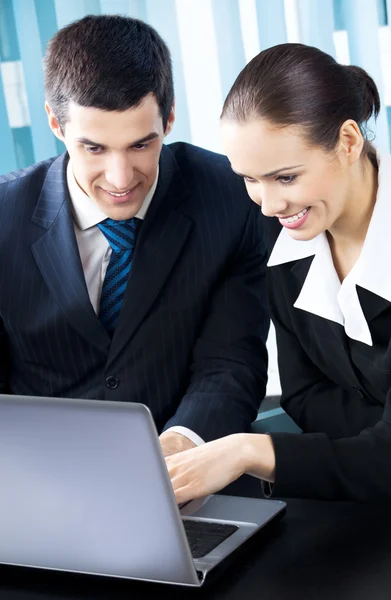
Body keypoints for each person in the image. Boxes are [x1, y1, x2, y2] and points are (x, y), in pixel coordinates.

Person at [0, 15, 269, 458]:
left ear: (170, 117)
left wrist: (182, 447)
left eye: (141, 144)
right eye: (94, 148)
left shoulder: (229, 195)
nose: (121, 178)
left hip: (188, 471)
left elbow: (231, 363)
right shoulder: (7, 216)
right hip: (41, 476)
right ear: (55, 123)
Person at [166, 42, 391, 502]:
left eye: (285, 177)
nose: (269, 205)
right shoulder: (289, 244)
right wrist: (374, 443)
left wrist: (249, 451)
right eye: (250, 179)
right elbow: (304, 398)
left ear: (348, 142)